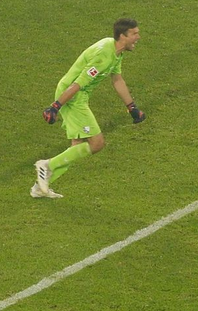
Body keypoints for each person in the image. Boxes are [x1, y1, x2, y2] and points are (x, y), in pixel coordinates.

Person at [33, 18, 145, 199]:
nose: (138, 37)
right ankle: (46, 166)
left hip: (77, 95)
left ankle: (40, 187)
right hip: (73, 96)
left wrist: (131, 107)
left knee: (76, 148)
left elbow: (117, 79)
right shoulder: (103, 57)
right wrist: (55, 106)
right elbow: (78, 83)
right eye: (134, 34)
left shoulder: (115, 50)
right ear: (122, 36)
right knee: (96, 143)